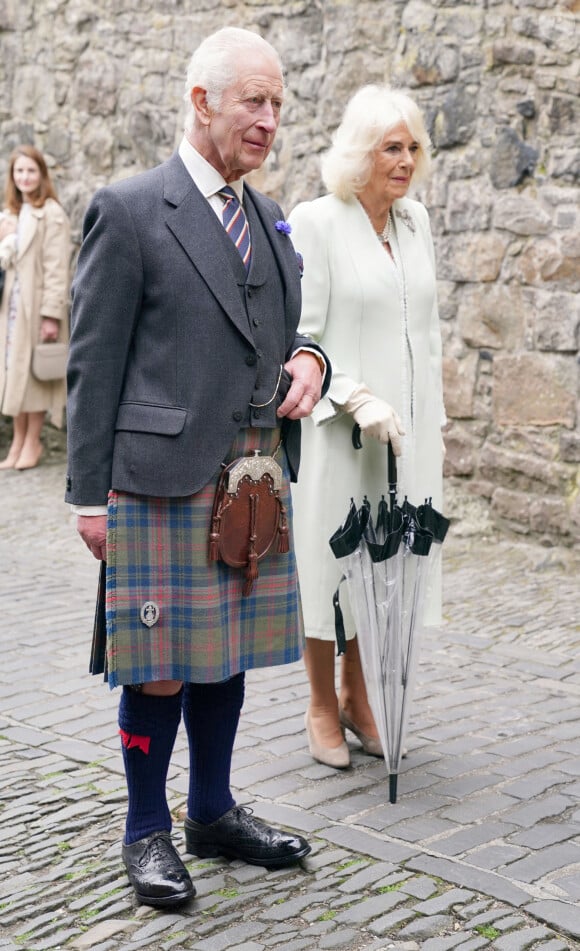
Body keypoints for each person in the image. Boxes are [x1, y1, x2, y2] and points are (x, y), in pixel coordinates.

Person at [65, 27, 329, 909]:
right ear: (202, 100)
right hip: (157, 478)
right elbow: (94, 362)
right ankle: (147, 828)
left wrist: (311, 362)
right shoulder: (133, 206)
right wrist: (85, 496)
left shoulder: (268, 216)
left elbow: (286, 332)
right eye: (252, 101)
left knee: (228, 658)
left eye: (278, 106)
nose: (267, 120)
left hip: (251, 477)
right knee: (162, 664)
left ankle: (212, 811)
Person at [289, 85, 446, 769]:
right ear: (361, 152)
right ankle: (321, 702)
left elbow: (428, 332)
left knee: (386, 567)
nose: (406, 158)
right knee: (331, 563)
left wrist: (431, 413)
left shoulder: (415, 224)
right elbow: (303, 336)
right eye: (392, 146)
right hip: (339, 431)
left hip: (405, 433)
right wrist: (355, 397)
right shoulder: (319, 222)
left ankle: (360, 694)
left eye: (412, 145)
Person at [0, 145, 71, 470]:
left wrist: (51, 315)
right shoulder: (11, 213)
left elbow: (58, 266)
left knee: (35, 376)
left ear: (41, 175)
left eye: (30, 171)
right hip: (11, 306)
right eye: (19, 171)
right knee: (13, 376)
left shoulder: (51, 213)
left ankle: (33, 442)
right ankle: (17, 440)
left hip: (36, 306)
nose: (24, 177)